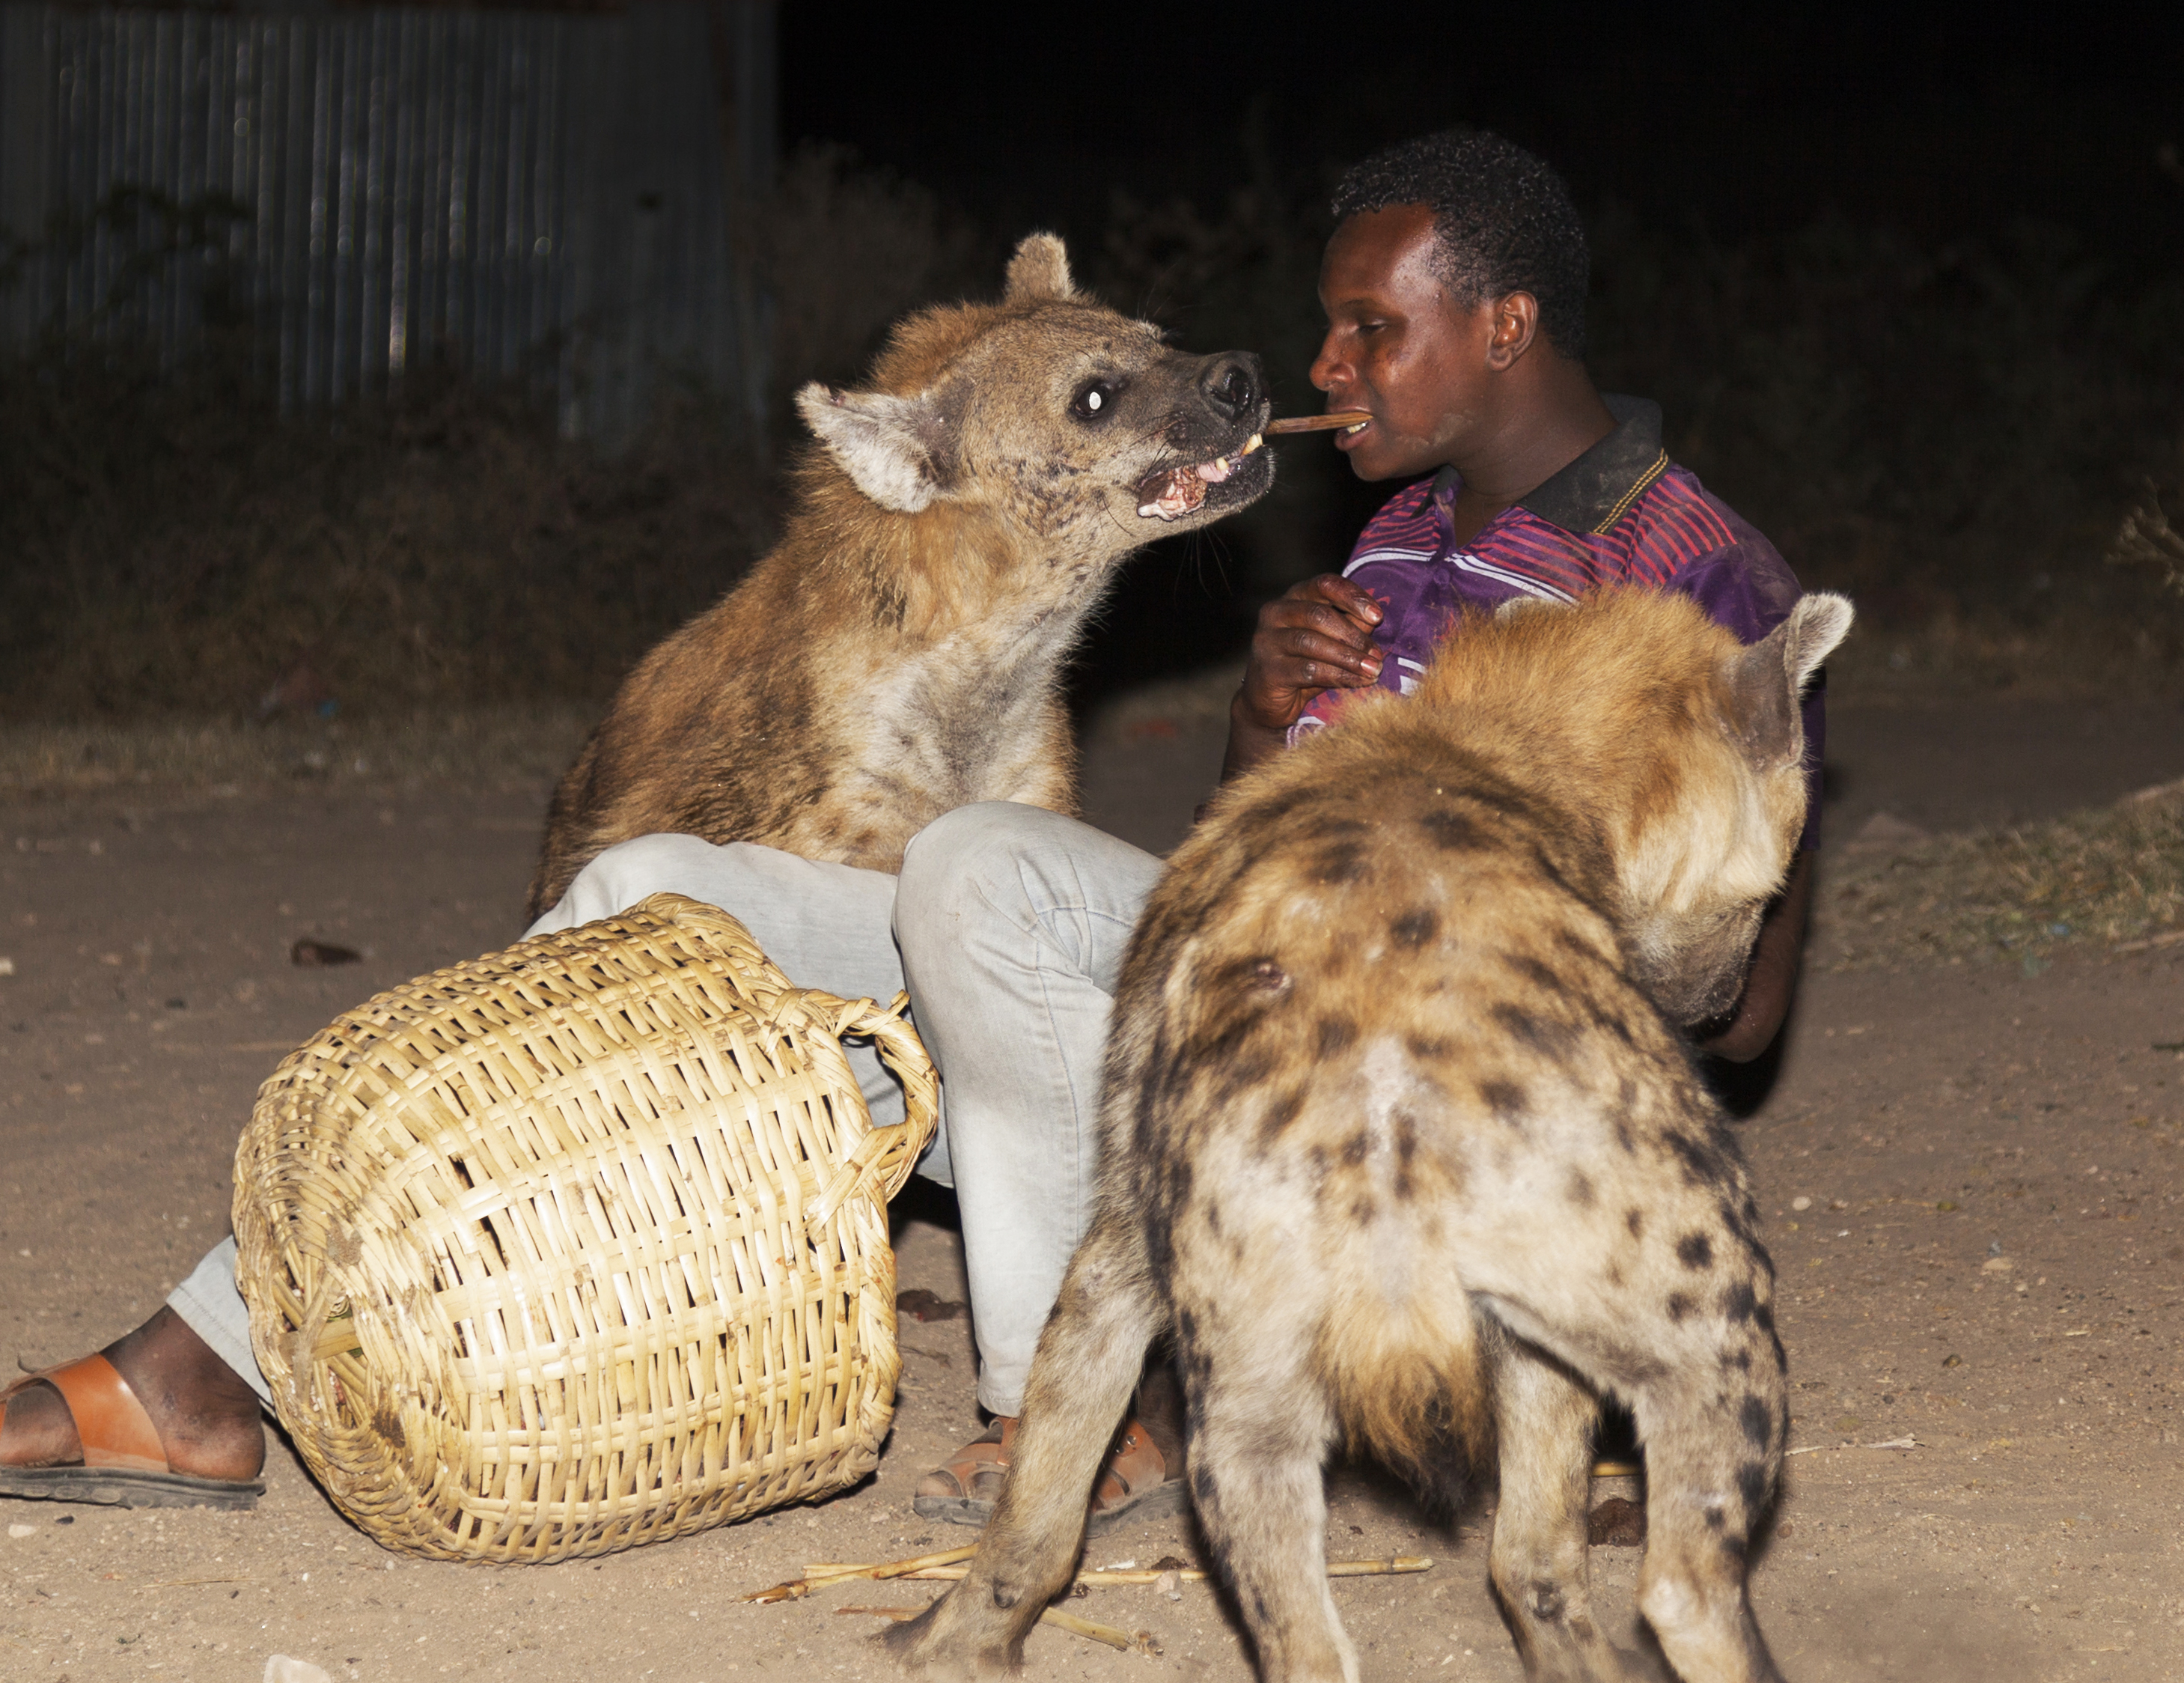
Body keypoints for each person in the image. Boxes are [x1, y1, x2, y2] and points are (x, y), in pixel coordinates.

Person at [0, 127, 1820, 1527]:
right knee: (650, 891)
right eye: (1336, 325)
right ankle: (209, 1357)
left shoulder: (1695, 572)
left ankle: (1082, 1403)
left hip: (1411, 1082)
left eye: (1370, 328)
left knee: (965, 866)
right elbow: (1234, 865)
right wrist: (1276, 718)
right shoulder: (1405, 537)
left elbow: (1730, 1002)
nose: (1318, 362)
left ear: (1502, 325)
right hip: (1230, 996)